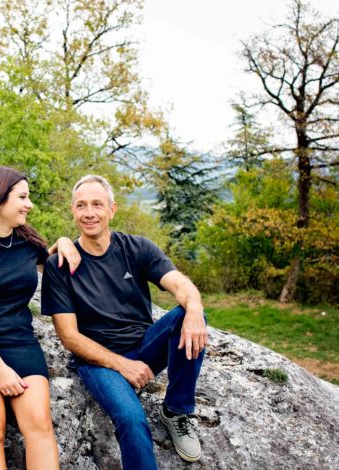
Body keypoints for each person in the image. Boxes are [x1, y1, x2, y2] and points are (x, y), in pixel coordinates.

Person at [41, 175, 208, 469]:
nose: (89, 212)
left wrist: (194, 308)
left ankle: (176, 412)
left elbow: (180, 285)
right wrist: (122, 365)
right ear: (73, 211)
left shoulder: (137, 248)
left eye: (97, 204)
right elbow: (69, 337)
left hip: (144, 347)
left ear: (112, 209)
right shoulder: (60, 265)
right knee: (132, 420)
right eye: (81, 206)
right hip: (97, 361)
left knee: (188, 315)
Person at [0, 166, 80, 470]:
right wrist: (0, 370)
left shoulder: (30, 245)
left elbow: (57, 265)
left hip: (20, 341)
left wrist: (65, 241)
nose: (29, 204)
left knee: (39, 425)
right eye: (22, 197)